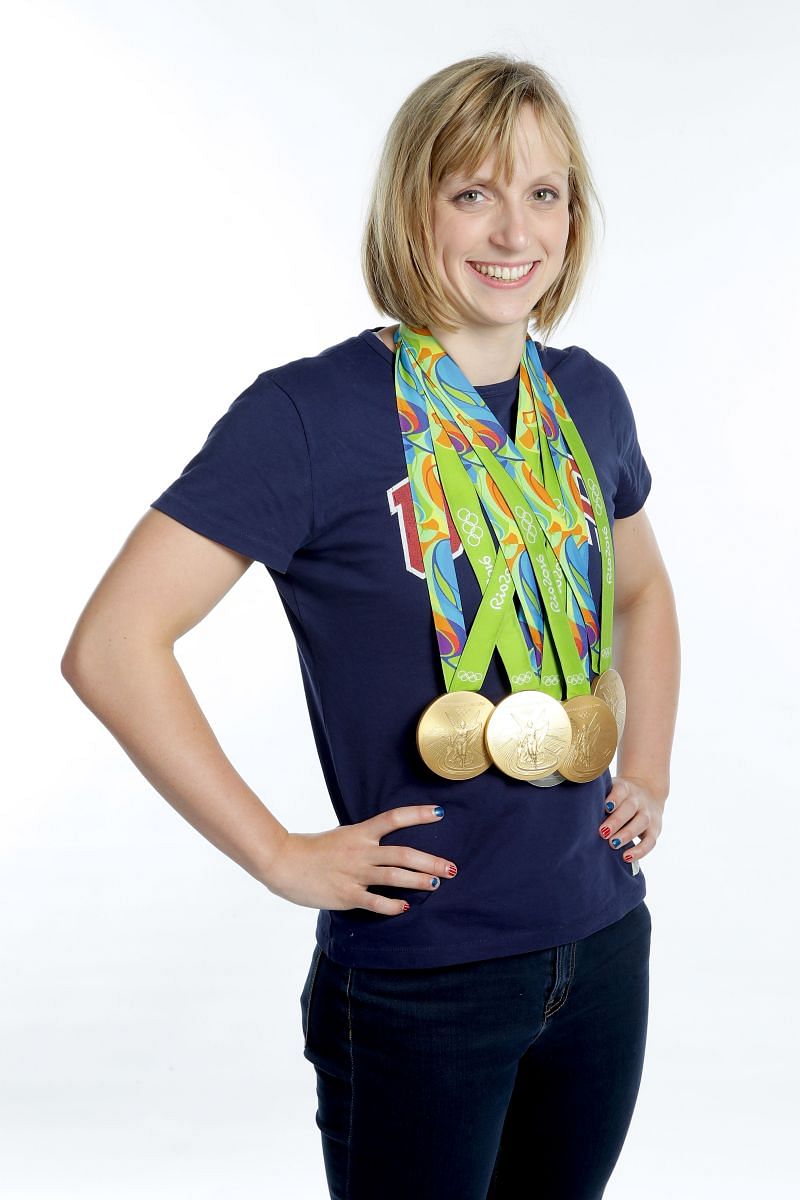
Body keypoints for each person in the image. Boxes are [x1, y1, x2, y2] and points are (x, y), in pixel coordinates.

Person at [61, 52, 680, 1200]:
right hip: (421, 976)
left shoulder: (586, 398)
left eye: (543, 192)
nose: (513, 228)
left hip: (598, 950)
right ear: (413, 207)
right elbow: (111, 646)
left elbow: (638, 593)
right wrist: (277, 853)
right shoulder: (307, 416)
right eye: (471, 191)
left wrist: (642, 762)